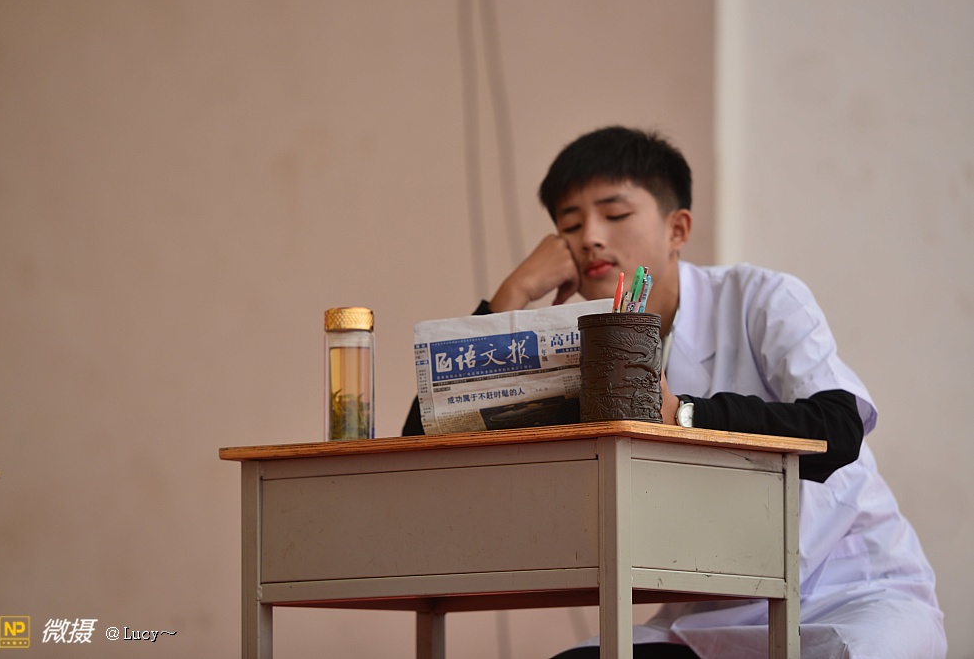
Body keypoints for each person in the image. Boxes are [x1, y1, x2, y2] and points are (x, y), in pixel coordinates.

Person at [403, 126, 946, 658]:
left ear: (677, 228)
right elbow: (422, 449)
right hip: (704, 616)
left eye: (615, 214)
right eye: (569, 224)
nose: (590, 237)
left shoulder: (759, 299)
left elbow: (839, 427)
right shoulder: (581, 341)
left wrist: (682, 415)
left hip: (846, 594)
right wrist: (513, 294)